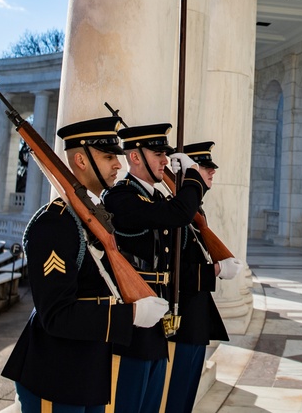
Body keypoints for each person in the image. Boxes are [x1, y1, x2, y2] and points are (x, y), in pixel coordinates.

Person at [2, 116, 169, 413]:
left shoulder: (94, 218)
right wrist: (129, 314)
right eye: (108, 157)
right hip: (54, 377)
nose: (118, 164)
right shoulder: (56, 222)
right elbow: (56, 315)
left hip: (87, 375)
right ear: (80, 159)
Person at [102, 123, 205, 413]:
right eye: (158, 154)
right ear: (135, 157)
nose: (165, 161)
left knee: (150, 402)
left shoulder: (157, 198)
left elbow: (187, 222)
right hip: (135, 312)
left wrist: (190, 186)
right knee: (129, 401)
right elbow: (180, 213)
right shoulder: (121, 197)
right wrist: (193, 175)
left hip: (157, 309)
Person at [164, 141, 243, 413]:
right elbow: (170, 270)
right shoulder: (175, 211)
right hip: (181, 320)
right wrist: (217, 270)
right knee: (173, 398)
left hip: (194, 319)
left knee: (184, 397)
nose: (211, 172)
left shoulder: (196, 210)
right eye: (204, 167)